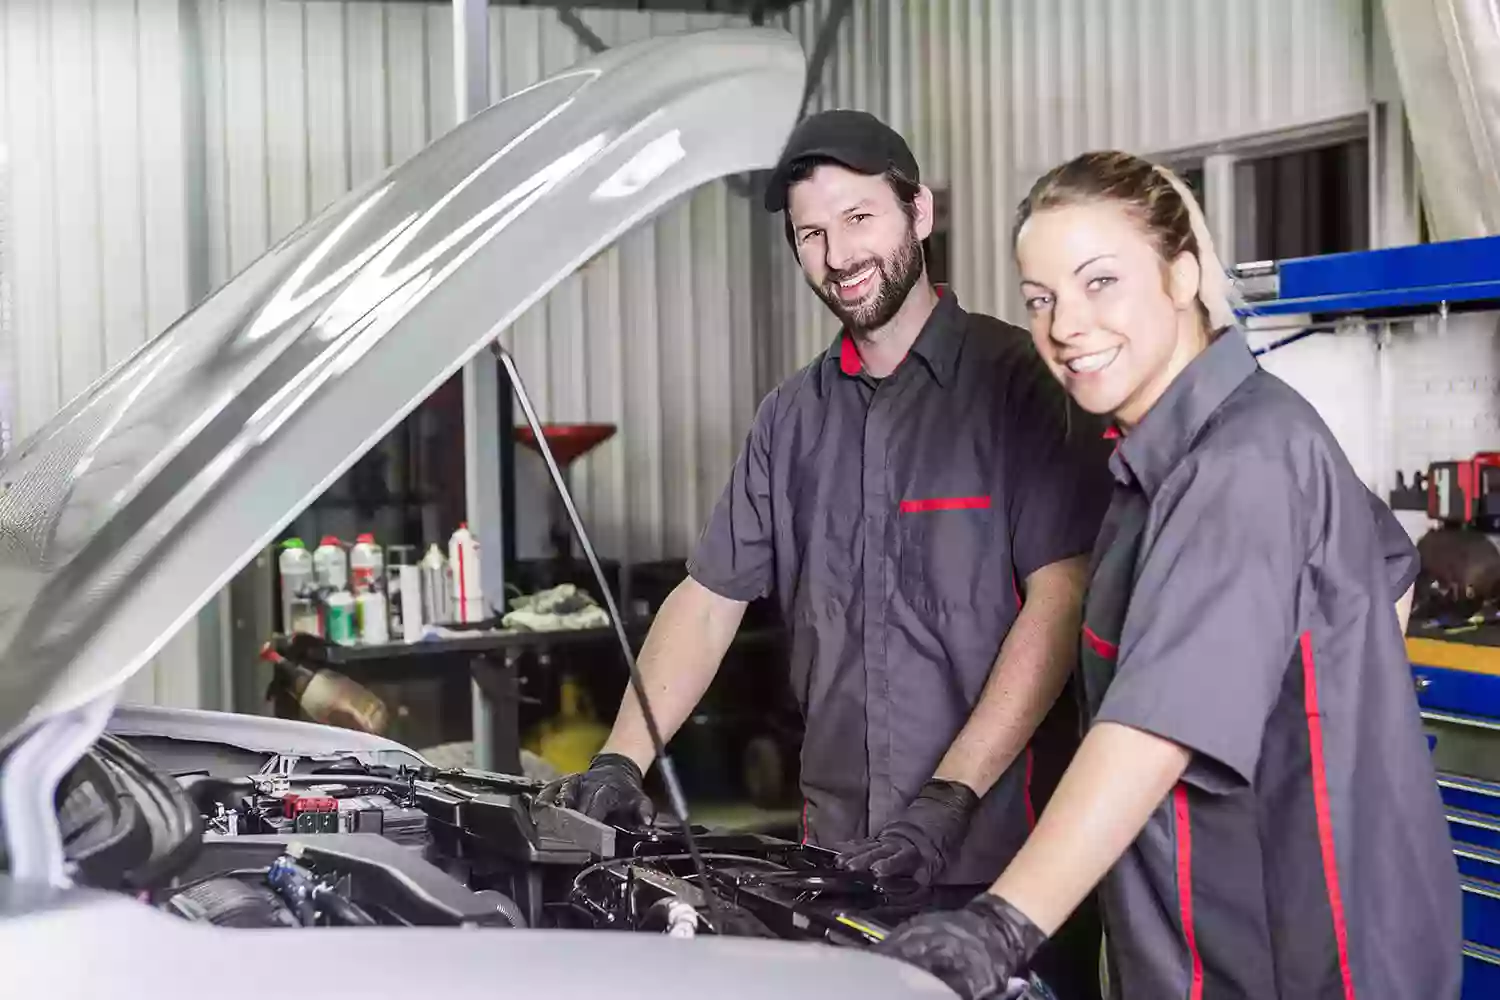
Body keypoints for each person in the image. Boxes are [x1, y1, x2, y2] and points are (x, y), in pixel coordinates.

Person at [538, 110, 1113, 993]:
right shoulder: (790, 419)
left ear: (918, 213)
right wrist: (622, 757)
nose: (838, 254)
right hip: (836, 868)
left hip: (1005, 870)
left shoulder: (1019, 386)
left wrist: (947, 801)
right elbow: (709, 594)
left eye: (859, 218)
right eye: (811, 232)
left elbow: (1059, 600)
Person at [878, 148, 1464, 1000]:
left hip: (1302, 956)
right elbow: (1388, 569)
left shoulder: (1241, 461)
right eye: (1040, 300)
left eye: (1100, 281)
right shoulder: (1169, 459)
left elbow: (1153, 727)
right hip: (1206, 933)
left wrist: (1002, 923)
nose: (1064, 326)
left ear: (1183, 273)